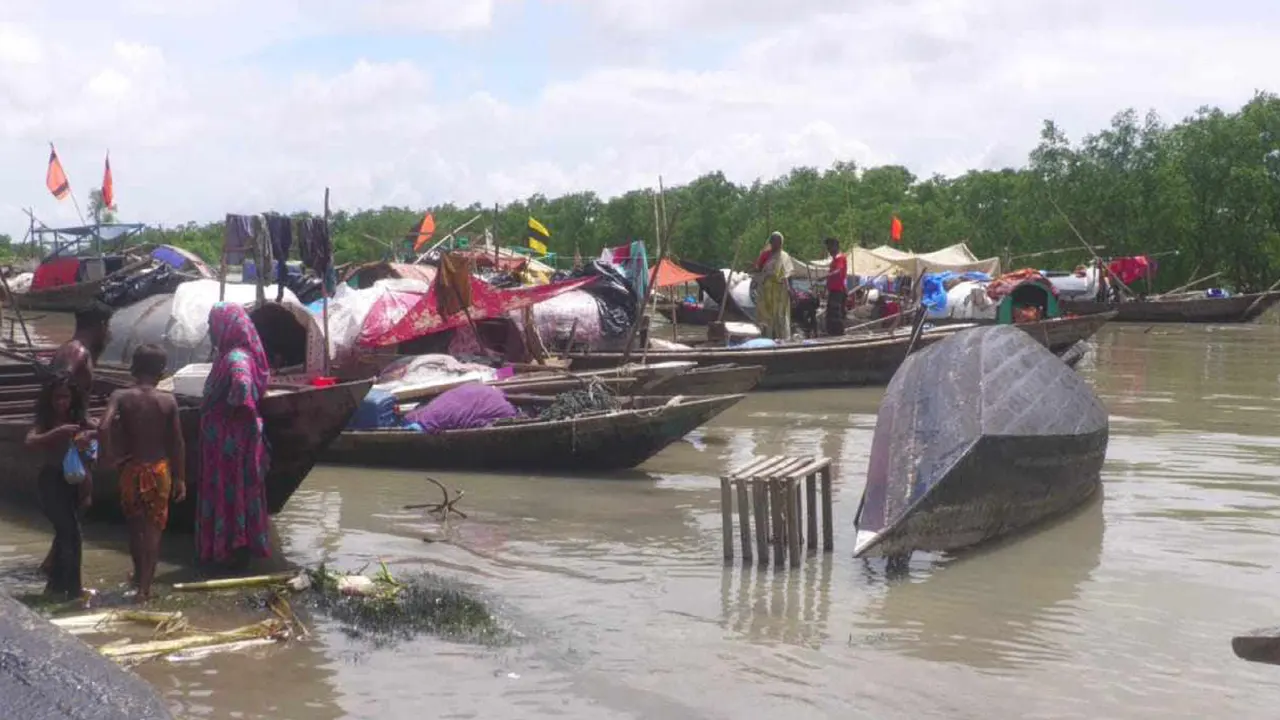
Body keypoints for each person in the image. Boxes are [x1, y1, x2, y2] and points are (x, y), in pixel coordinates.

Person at [101, 344, 186, 602]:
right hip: (159, 471)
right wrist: (181, 477)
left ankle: (138, 577)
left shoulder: (121, 396)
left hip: (131, 469)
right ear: (161, 372)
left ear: (134, 369)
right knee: (153, 530)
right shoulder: (168, 400)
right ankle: (144, 590)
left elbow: (103, 426)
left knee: (135, 526)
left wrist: (108, 457)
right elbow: (177, 442)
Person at [39, 301, 112, 581]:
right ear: (101, 326)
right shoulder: (76, 351)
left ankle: (53, 561)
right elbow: (60, 386)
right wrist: (80, 425)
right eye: (109, 328)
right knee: (78, 501)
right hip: (72, 439)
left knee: (77, 503)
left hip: (76, 434)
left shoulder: (78, 352)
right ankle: (62, 574)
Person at [197, 303, 271, 571]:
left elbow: (241, 386)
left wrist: (228, 411)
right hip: (229, 441)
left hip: (231, 444)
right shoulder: (231, 355)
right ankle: (229, 549)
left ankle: (231, 552)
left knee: (230, 493)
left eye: (211, 324)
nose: (209, 330)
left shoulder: (236, 357)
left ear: (226, 326)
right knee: (233, 494)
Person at [25, 372, 95, 599]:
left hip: (77, 483)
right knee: (69, 533)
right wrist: (58, 433)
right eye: (57, 398)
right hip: (51, 482)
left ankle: (57, 587)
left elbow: (101, 431)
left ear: (73, 398)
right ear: (50, 399)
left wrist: (88, 436)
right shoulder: (46, 421)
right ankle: (72, 590)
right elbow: (30, 441)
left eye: (65, 398)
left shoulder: (81, 419)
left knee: (70, 534)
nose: (61, 403)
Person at [753, 232, 794, 340]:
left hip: (780, 292)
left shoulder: (784, 256)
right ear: (771, 242)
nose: (777, 244)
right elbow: (758, 269)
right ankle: (767, 337)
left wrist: (789, 289)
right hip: (766, 291)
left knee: (780, 315)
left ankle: (781, 337)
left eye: (779, 241)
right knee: (765, 315)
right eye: (774, 241)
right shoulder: (765, 255)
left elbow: (786, 275)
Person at [823, 237, 848, 336]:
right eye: (828, 248)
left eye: (830, 247)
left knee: (835, 316)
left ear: (835, 246)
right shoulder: (834, 261)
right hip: (833, 291)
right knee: (830, 316)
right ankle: (832, 334)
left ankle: (838, 336)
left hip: (838, 291)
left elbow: (838, 271)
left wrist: (826, 275)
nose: (829, 250)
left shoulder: (840, 258)